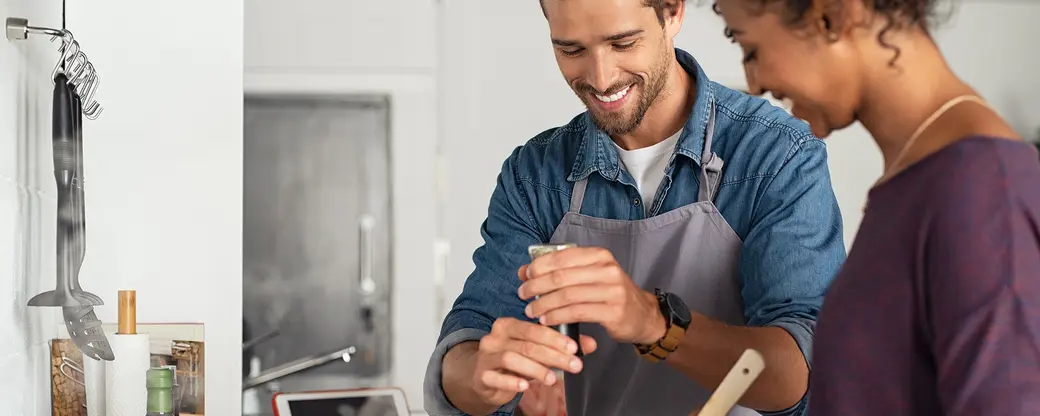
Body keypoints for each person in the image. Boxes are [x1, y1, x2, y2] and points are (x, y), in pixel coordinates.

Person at [423, 0, 848, 415]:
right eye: (571, 50)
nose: (601, 77)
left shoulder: (775, 156)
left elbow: (805, 372)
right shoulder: (534, 176)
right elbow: (466, 345)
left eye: (623, 43)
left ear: (673, 12)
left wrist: (653, 321)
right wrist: (481, 377)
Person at [713, 0, 1040, 415]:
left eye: (752, 50)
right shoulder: (917, 181)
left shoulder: (980, 188)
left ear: (831, 15)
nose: (753, 82)